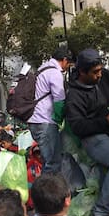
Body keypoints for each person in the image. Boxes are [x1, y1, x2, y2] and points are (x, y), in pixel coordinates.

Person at [65, 48, 109, 216]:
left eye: (100, 70)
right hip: (92, 137)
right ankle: (101, 212)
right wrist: (107, 121)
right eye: (95, 72)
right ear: (82, 72)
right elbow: (78, 126)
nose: (99, 75)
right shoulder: (74, 95)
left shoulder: (103, 77)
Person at [27, 46, 74, 174]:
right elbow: (59, 101)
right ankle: (45, 192)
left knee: (49, 161)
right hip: (45, 122)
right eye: (68, 64)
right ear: (64, 60)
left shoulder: (42, 69)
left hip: (35, 121)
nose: (67, 67)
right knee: (52, 163)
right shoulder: (54, 73)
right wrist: (59, 120)